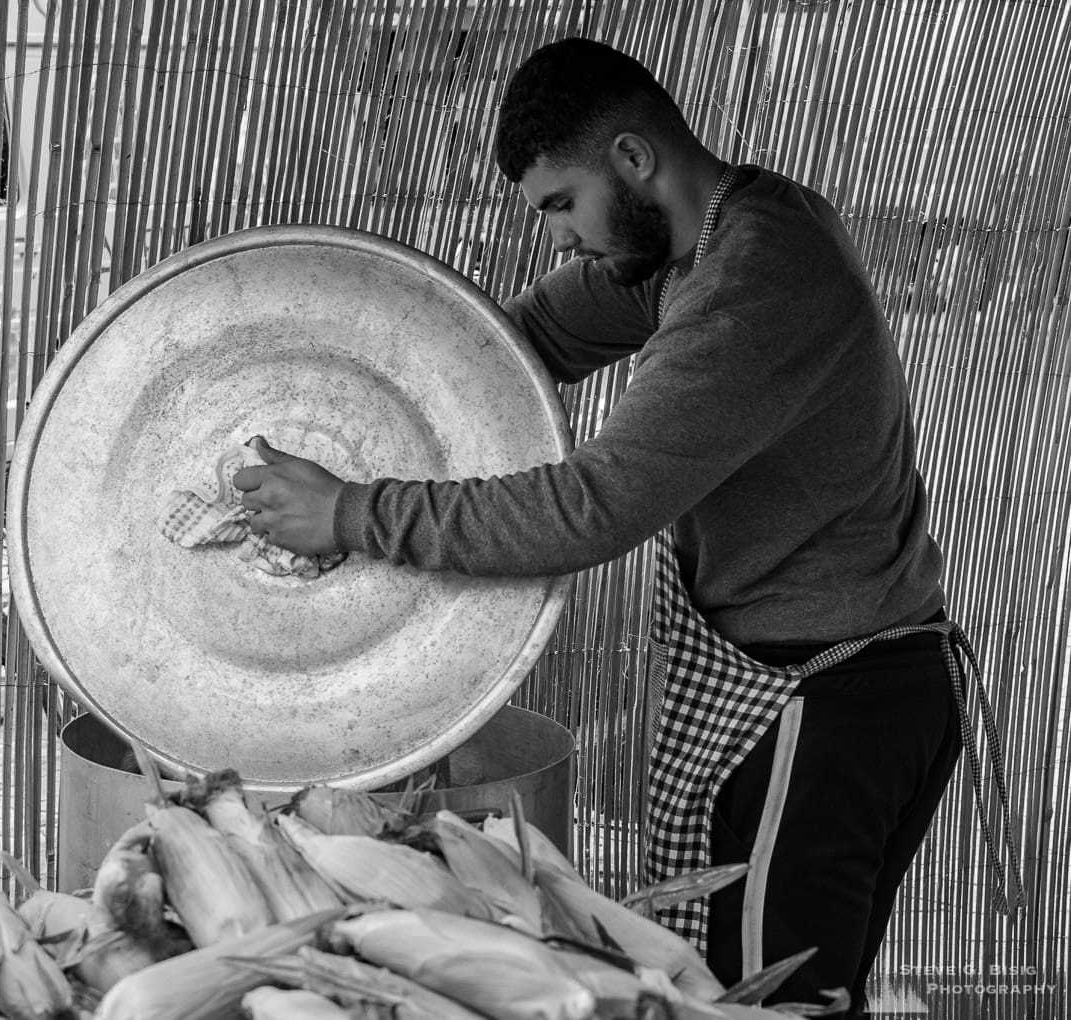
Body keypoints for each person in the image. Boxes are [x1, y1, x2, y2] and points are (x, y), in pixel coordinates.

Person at [233, 37, 1020, 1015]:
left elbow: (591, 507)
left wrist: (351, 513)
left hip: (832, 707)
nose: (558, 240)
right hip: (799, 688)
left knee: (768, 1006)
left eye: (562, 205)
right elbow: (510, 346)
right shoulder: (702, 240)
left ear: (635, 161)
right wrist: (340, 399)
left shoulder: (758, 285)